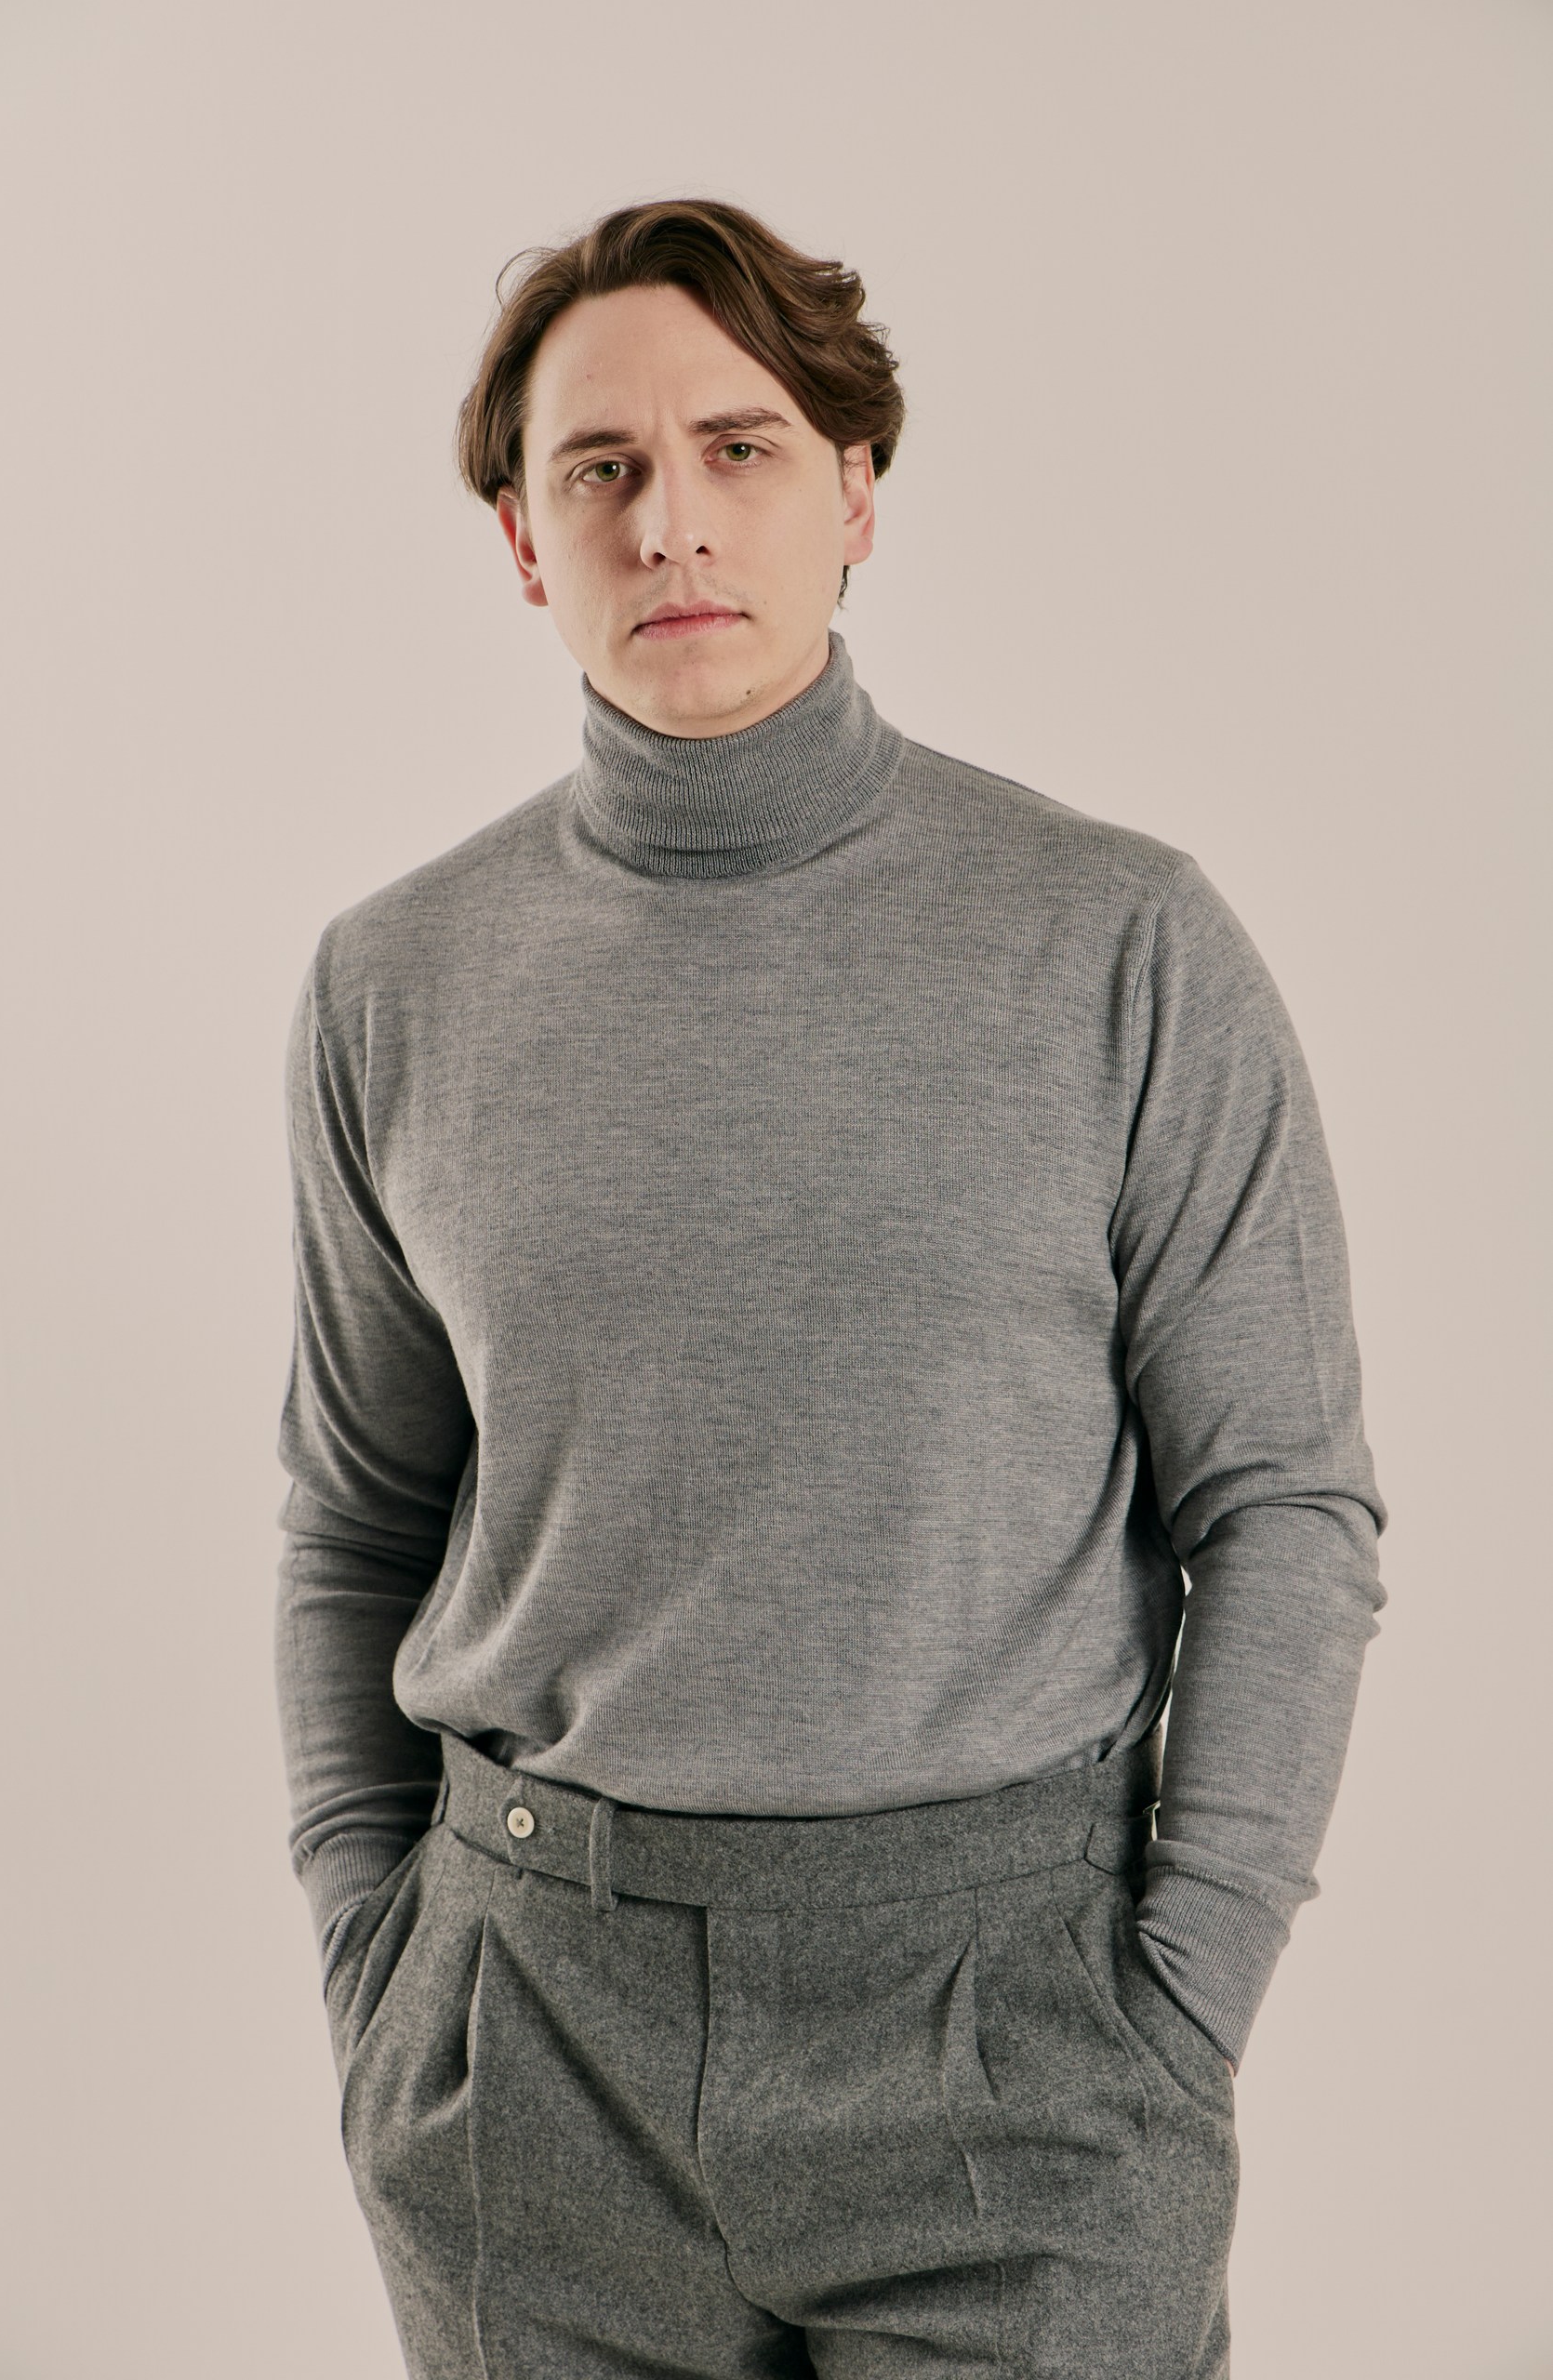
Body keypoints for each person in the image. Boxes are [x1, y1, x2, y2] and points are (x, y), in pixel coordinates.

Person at [273, 195, 1387, 2380]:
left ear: (855, 490)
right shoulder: (392, 984)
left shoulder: (1120, 944)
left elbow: (1283, 1504)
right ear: (522, 540)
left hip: (1013, 2036)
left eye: (740, 447)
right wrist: (370, 1954)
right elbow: (353, 1515)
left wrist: (1180, 2003)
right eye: (600, 468)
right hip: (526, 2046)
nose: (670, 520)